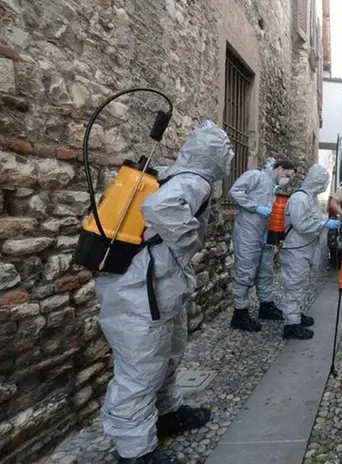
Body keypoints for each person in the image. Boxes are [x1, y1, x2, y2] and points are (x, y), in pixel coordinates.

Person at [95, 121, 234, 464]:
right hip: (140, 294)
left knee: (166, 357)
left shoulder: (172, 173)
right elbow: (159, 209)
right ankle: (134, 449)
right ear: (215, 156)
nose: (229, 156)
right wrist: (187, 241)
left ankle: (165, 414)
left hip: (155, 288)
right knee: (140, 370)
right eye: (226, 151)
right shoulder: (193, 181)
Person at [228, 158, 296, 332]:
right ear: (279, 168)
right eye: (288, 175)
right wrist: (255, 206)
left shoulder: (276, 189)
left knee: (266, 271)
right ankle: (240, 313)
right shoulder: (255, 176)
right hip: (247, 232)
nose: (288, 180)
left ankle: (266, 305)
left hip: (265, 233)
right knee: (245, 272)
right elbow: (234, 192)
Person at [279, 164, 339, 340]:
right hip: (295, 249)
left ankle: (296, 314)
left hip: (304, 248)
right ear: (316, 181)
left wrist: (324, 221)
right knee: (293, 286)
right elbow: (301, 224)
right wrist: (323, 224)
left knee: (299, 284)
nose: (324, 186)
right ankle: (291, 324)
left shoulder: (310, 198)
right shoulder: (300, 198)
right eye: (323, 182)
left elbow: (313, 218)